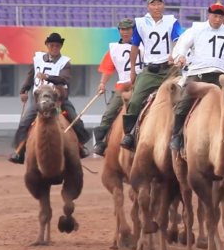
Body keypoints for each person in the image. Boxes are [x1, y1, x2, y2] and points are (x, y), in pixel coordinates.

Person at [168, 0, 224, 151]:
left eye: (220, 16)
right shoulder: (196, 29)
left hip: (221, 75)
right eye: (214, 16)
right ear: (208, 15)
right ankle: (176, 135)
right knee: (183, 103)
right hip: (198, 73)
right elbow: (181, 46)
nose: (217, 19)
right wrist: (180, 57)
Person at [8, 33, 91, 164]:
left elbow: (64, 79)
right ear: (47, 45)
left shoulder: (65, 62)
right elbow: (31, 76)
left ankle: (81, 146)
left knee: (75, 119)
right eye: (52, 45)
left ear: (60, 47)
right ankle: (19, 152)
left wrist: (48, 77)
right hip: (38, 99)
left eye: (57, 46)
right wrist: (23, 91)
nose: (54, 48)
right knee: (25, 123)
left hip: (58, 99)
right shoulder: (38, 59)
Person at [119, 0, 183, 151]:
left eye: (159, 4)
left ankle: (181, 134)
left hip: (170, 69)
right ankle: (130, 134)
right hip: (150, 70)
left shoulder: (172, 21)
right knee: (135, 100)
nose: (156, 7)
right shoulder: (140, 23)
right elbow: (134, 46)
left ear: (163, 5)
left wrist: (173, 55)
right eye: (153, 4)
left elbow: (177, 40)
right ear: (148, 7)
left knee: (184, 98)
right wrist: (133, 70)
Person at [91, 18, 144, 156]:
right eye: (122, 29)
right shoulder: (114, 49)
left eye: (128, 29)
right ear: (119, 31)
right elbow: (108, 68)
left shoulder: (144, 45)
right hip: (122, 85)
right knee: (110, 111)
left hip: (143, 83)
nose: (125, 32)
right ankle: (101, 141)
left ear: (134, 30)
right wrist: (102, 83)